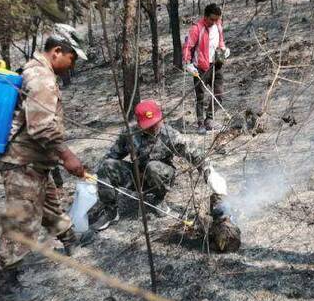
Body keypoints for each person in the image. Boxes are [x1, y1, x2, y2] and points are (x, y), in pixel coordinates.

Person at [0, 23, 90, 301]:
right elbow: (42, 128)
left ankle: (69, 238)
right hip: (22, 161)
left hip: (35, 160)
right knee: (22, 218)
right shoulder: (41, 79)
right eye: (73, 58)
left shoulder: (39, 73)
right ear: (58, 51)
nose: (72, 65)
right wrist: (67, 156)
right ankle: (7, 284)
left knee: (49, 202)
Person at [90, 99, 223, 232]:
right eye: (148, 125)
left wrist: (208, 172)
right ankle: (111, 212)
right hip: (136, 175)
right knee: (106, 166)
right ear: (138, 123)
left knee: (152, 167)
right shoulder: (129, 133)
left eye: (155, 123)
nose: (153, 127)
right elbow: (112, 156)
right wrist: (96, 175)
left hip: (160, 176)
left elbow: (193, 153)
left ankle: (159, 199)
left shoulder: (169, 134)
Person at [182, 3, 230, 134]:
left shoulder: (218, 26)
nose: (214, 22)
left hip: (217, 65)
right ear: (205, 17)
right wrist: (188, 64)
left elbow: (220, 42)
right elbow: (188, 46)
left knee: (219, 94)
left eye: (217, 19)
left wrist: (224, 50)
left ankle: (210, 120)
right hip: (201, 67)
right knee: (200, 97)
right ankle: (200, 123)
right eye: (212, 19)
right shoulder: (197, 28)